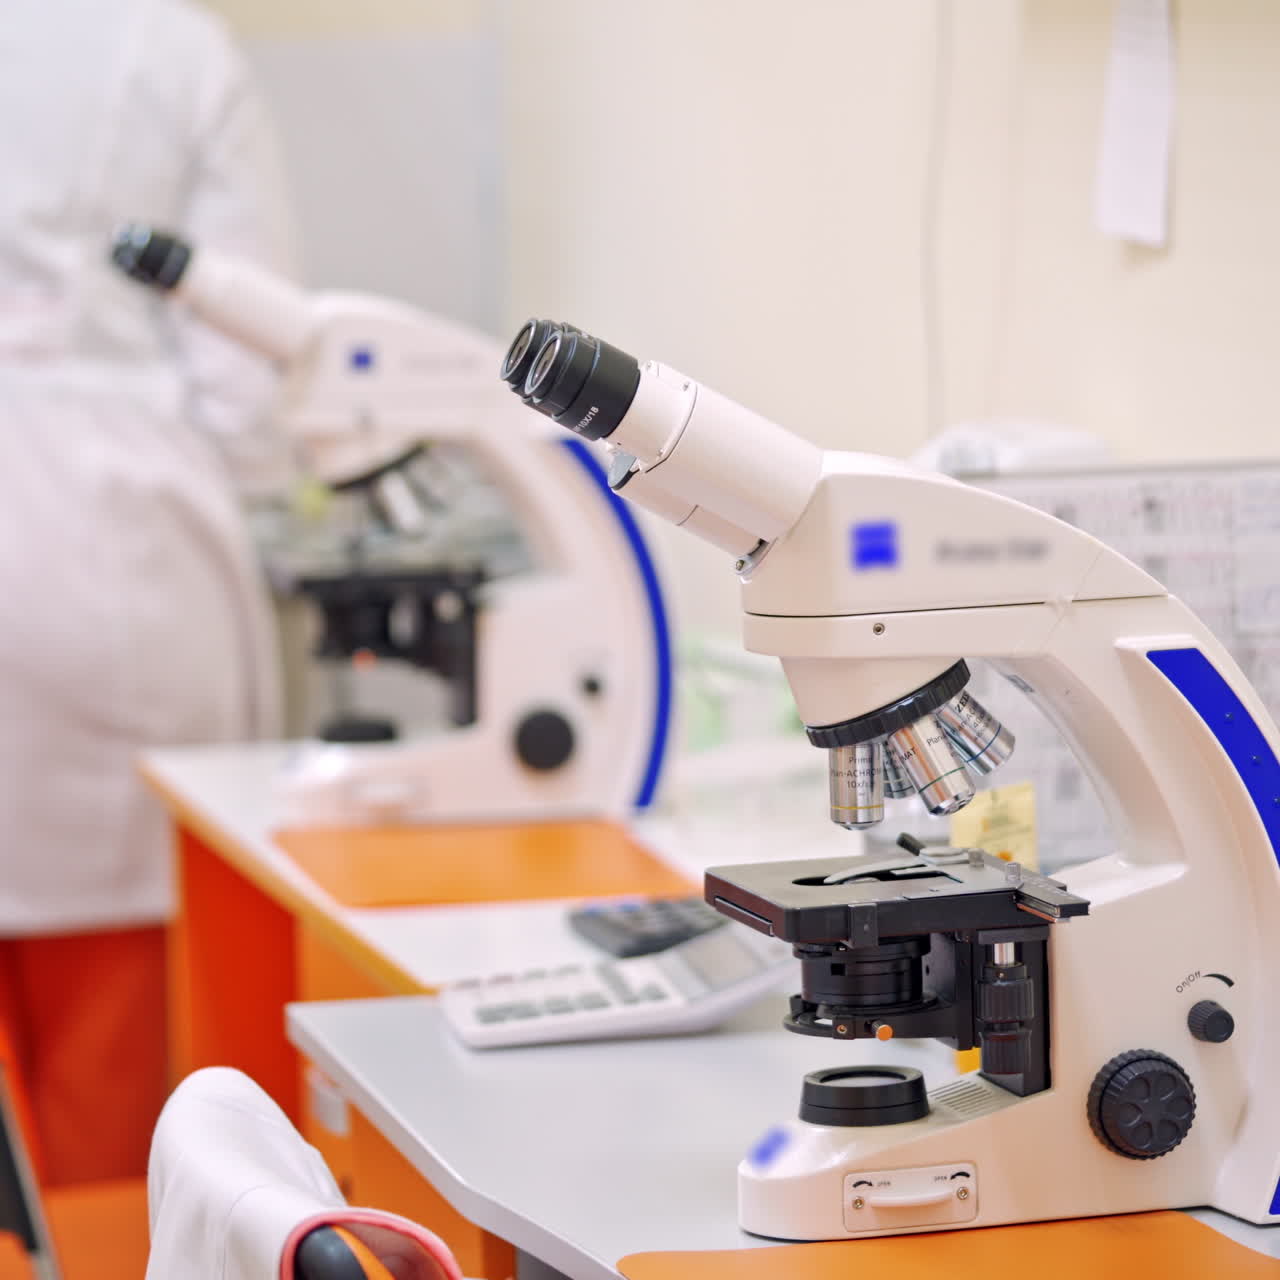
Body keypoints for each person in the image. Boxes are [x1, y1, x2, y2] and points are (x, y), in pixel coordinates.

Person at [0, 0, 294, 1184]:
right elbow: (250, 370)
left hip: (100, 538)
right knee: (115, 1073)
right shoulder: (166, 44)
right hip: (112, 550)